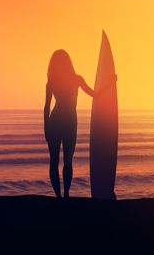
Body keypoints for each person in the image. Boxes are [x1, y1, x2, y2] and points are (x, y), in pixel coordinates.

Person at [44, 49, 111, 198]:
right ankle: (64, 195)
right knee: (66, 161)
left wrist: (46, 129)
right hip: (69, 123)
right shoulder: (74, 80)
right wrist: (110, 83)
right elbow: (96, 95)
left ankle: (60, 196)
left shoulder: (57, 82)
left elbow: (47, 108)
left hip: (57, 123)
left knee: (56, 161)